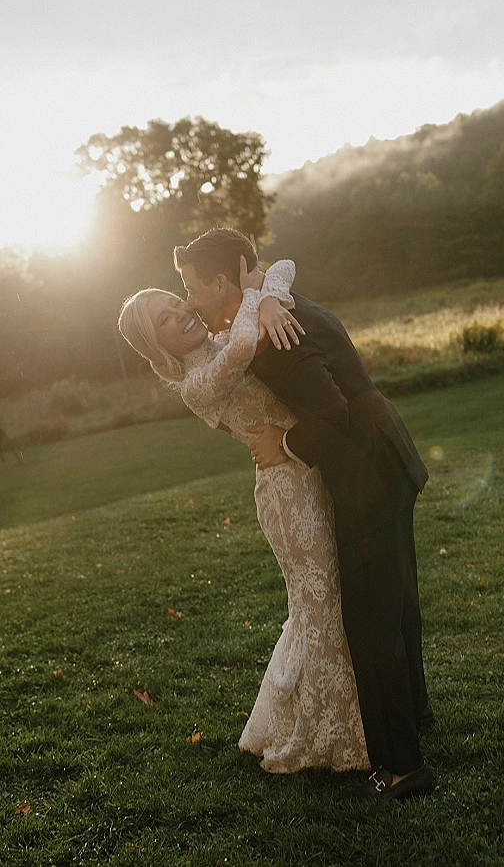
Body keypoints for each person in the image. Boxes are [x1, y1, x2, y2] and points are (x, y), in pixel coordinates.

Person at [174, 228, 434, 800]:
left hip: (366, 473)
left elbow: (334, 415)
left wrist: (283, 445)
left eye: (192, 287)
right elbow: (275, 273)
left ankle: (403, 768)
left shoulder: (274, 331)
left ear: (223, 283)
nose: (189, 299)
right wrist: (262, 293)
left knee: (369, 621)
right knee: (400, 601)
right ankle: (416, 717)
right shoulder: (276, 302)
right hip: (391, 456)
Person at [118, 259, 369, 774]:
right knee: (319, 604)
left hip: (308, 465)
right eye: (166, 319)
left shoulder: (229, 327)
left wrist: (268, 294)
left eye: (175, 301)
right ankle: (331, 734)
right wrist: (256, 297)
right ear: (157, 345)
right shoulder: (197, 383)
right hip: (285, 494)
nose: (182, 312)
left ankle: (335, 713)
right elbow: (242, 348)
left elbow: (284, 264)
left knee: (322, 602)